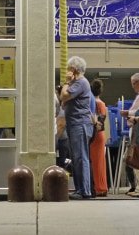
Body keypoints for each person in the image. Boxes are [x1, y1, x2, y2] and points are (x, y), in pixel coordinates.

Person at [59, 56, 93, 200]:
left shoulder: (81, 82)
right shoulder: (77, 84)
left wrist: (67, 82)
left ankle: (85, 190)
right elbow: (63, 104)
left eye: (68, 68)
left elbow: (64, 97)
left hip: (80, 124)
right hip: (75, 124)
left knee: (81, 158)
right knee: (76, 158)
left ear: (73, 69)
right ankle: (80, 188)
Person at [119, 72, 139, 196]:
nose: (132, 87)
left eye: (133, 84)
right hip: (136, 130)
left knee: (137, 159)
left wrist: (129, 113)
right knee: (133, 160)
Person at [89, 78, 109, 197]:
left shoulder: (93, 104)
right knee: (100, 162)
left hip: (95, 134)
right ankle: (102, 187)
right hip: (101, 135)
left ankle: (98, 187)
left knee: (94, 162)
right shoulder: (103, 104)